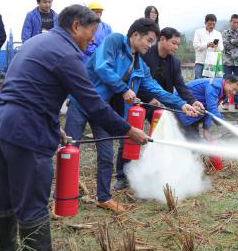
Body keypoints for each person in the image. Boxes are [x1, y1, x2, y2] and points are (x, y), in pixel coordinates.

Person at [0, 5, 146, 251]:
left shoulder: (39, 42)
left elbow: (27, 87)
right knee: (33, 194)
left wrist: (53, 126)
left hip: (0, 125)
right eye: (91, 32)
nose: (92, 40)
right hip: (26, 132)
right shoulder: (67, 54)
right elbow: (92, 103)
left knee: (3, 190)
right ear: (75, 27)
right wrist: (128, 129)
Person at [65, 19, 199, 206]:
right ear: (136, 35)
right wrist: (123, 89)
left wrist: (182, 104)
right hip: (81, 102)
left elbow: (154, 87)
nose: (150, 45)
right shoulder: (115, 41)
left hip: (101, 109)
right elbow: (102, 67)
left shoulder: (139, 64)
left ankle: (104, 197)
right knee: (70, 150)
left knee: (106, 155)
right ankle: (62, 198)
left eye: (152, 41)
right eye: (149, 40)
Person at [176, 75, 238, 142]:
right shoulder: (214, 86)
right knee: (193, 139)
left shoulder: (221, 89)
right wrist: (224, 123)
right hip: (181, 107)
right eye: (234, 89)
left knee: (194, 139)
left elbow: (210, 110)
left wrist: (206, 129)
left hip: (192, 110)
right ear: (227, 82)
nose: (234, 93)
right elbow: (212, 108)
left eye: (236, 91)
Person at [221, 14, 238, 111]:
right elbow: (225, 45)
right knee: (226, 81)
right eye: (234, 22)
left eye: (237, 22)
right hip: (227, 61)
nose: (236, 24)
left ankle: (237, 103)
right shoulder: (224, 33)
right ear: (230, 22)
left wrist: (231, 41)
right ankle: (225, 102)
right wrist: (236, 43)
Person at [193, 14, 223, 79]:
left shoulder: (218, 33)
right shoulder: (198, 32)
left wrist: (216, 46)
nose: (212, 26)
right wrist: (207, 45)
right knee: (199, 82)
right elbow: (195, 45)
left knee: (211, 83)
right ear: (205, 23)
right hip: (201, 62)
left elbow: (221, 48)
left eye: (214, 24)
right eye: (210, 24)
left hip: (213, 63)